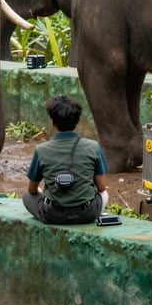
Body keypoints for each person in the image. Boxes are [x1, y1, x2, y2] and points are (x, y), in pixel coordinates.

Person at [23, 94, 110, 225]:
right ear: (77, 121)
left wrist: (42, 192)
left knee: (26, 195)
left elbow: (31, 190)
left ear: (52, 122)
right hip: (87, 213)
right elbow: (102, 187)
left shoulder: (41, 150)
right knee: (105, 195)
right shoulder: (93, 147)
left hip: (53, 215)